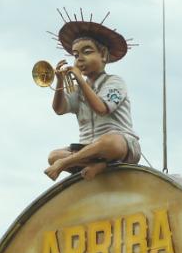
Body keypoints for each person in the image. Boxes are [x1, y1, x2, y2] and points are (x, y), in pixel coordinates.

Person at [44, 14, 141, 182]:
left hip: (120, 146)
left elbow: (102, 109)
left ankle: (68, 162)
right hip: (88, 150)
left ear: (103, 54)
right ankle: (100, 165)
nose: (79, 59)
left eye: (87, 52)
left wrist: (80, 80)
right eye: (75, 55)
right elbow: (59, 109)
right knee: (53, 156)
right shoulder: (77, 88)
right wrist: (59, 81)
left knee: (111, 143)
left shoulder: (115, 82)